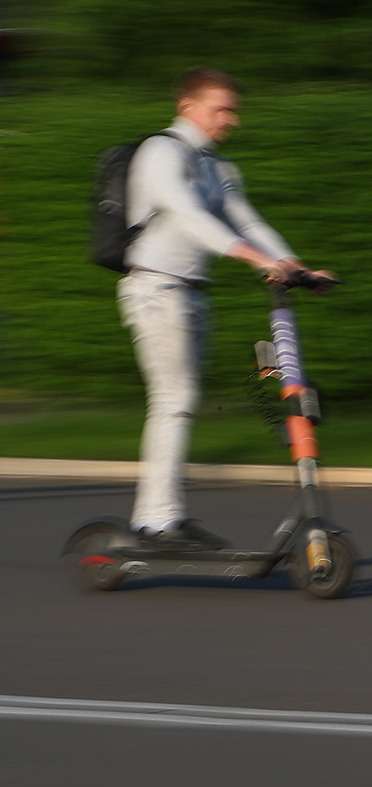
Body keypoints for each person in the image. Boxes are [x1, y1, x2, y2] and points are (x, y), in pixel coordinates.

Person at [119, 67, 332, 548]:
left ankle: (162, 515)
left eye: (233, 111)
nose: (230, 119)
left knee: (180, 402)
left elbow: (248, 222)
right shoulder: (160, 152)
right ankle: (156, 522)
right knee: (173, 400)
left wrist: (296, 267)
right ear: (187, 106)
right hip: (156, 288)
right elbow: (188, 216)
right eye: (221, 109)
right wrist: (256, 260)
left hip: (192, 292)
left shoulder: (218, 167)